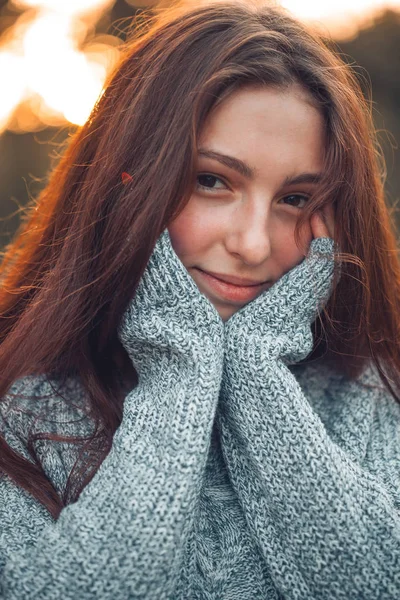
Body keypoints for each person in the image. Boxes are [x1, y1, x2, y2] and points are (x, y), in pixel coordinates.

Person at [0, 0, 399, 597]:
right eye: (211, 181)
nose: (252, 243)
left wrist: (256, 370)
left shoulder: (376, 395)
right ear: (123, 188)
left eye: (295, 198)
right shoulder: (19, 410)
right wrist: (181, 364)